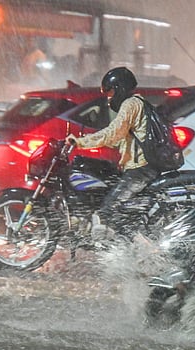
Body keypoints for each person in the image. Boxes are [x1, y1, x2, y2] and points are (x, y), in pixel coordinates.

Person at [66, 67, 157, 236]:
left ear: (119, 88)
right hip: (140, 166)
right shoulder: (138, 103)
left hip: (142, 168)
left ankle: (119, 251)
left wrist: (80, 141)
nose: (109, 97)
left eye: (110, 92)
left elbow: (113, 133)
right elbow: (122, 139)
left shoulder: (131, 104)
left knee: (106, 211)